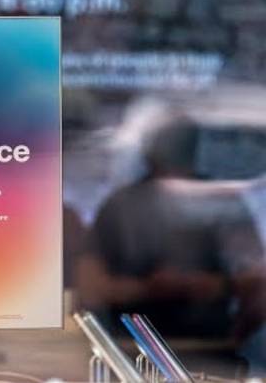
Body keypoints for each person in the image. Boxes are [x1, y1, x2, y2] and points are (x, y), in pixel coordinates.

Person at [77, 116, 264, 360]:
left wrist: (206, 288)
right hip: (134, 359)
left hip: (207, 356)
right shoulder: (120, 207)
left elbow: (258, 285)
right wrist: (151, 289)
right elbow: (90, 289)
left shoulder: (223, 204)